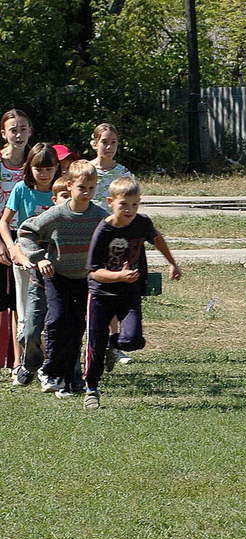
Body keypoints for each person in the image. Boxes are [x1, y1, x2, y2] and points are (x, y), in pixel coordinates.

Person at [84, 177, 181, 409]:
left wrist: (172, 263)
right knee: (94, 345)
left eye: (135, 205)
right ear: (110, 202)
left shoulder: (142, 223)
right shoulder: (103, 230)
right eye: (124, 205)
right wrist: (118, 276)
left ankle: (113, 344)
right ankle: (92, 390)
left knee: (133, 340)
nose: (129, 210)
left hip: (130, 294)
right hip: (101, 295)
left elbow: (158, 239)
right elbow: (93, 272)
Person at [16, 160, 108, 398]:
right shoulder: (56, 214)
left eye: (91, 187)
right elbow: (26, 232)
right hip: (57, 277)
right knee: (56, 321)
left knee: (76, 328)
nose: (87, 193)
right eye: (82, 188)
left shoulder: (98, 215)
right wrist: (39, 258)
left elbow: (112, 235)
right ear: (70, 185)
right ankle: (50, 371)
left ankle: (70, 378)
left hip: (83, 279)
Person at [12, 178, 84, 389]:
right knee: (30, 332)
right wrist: (35, 258)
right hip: (40, 286)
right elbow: (22, 239)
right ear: (54, 199)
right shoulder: (44, 221)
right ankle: (31, 364)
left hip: (66, 288)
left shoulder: (75, 224)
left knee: (68, 330)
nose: (66, 200)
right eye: (62, 196)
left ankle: (71, 375)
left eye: (69, 196)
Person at [1, 143, 58, 383]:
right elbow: (4, 222)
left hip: (53, 260)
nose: (44, 174)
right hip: (24, 258)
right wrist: (12, 247)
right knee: (24, 316)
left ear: (57, 168)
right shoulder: (21, 189)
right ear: (29, 168)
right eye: (38, 168)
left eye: (49, 168)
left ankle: (47, 366)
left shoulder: (60, 189)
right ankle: (24, 364)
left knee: (50, 316)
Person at [88, 123, 136, 366]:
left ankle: (115, 344)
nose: (108, 147)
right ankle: (92, 343)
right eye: (104, 141)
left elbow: (131, 205)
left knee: (115, 290)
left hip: (116, 240)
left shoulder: (123, 172)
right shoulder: (86, 170)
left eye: (113, 142)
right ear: (94, 143)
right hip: (89, 237)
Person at [0, 109, 33, 371]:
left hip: (31, 237)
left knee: (21, 301)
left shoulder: (36, 162)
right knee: (5, 300)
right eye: (13, 129)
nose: (18, 134)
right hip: (3, 234)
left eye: (23, 128)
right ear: (4, 133)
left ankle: (20, 360)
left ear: (30, 131)